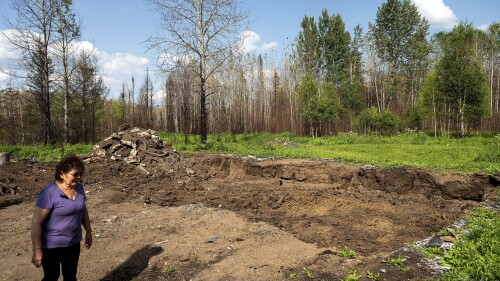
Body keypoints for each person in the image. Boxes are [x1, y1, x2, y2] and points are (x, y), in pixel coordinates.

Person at [31, 155, 92, 281]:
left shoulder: (79, 188)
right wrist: (37, 250)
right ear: (62, 174)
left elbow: (83, 211)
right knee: (52, 277)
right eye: (75, 174)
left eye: (80, 174)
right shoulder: (49, 193)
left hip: (73, 243)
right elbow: (37, 222)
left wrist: (89, 232)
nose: (79, 177)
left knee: (70, 276)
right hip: (52, 246)